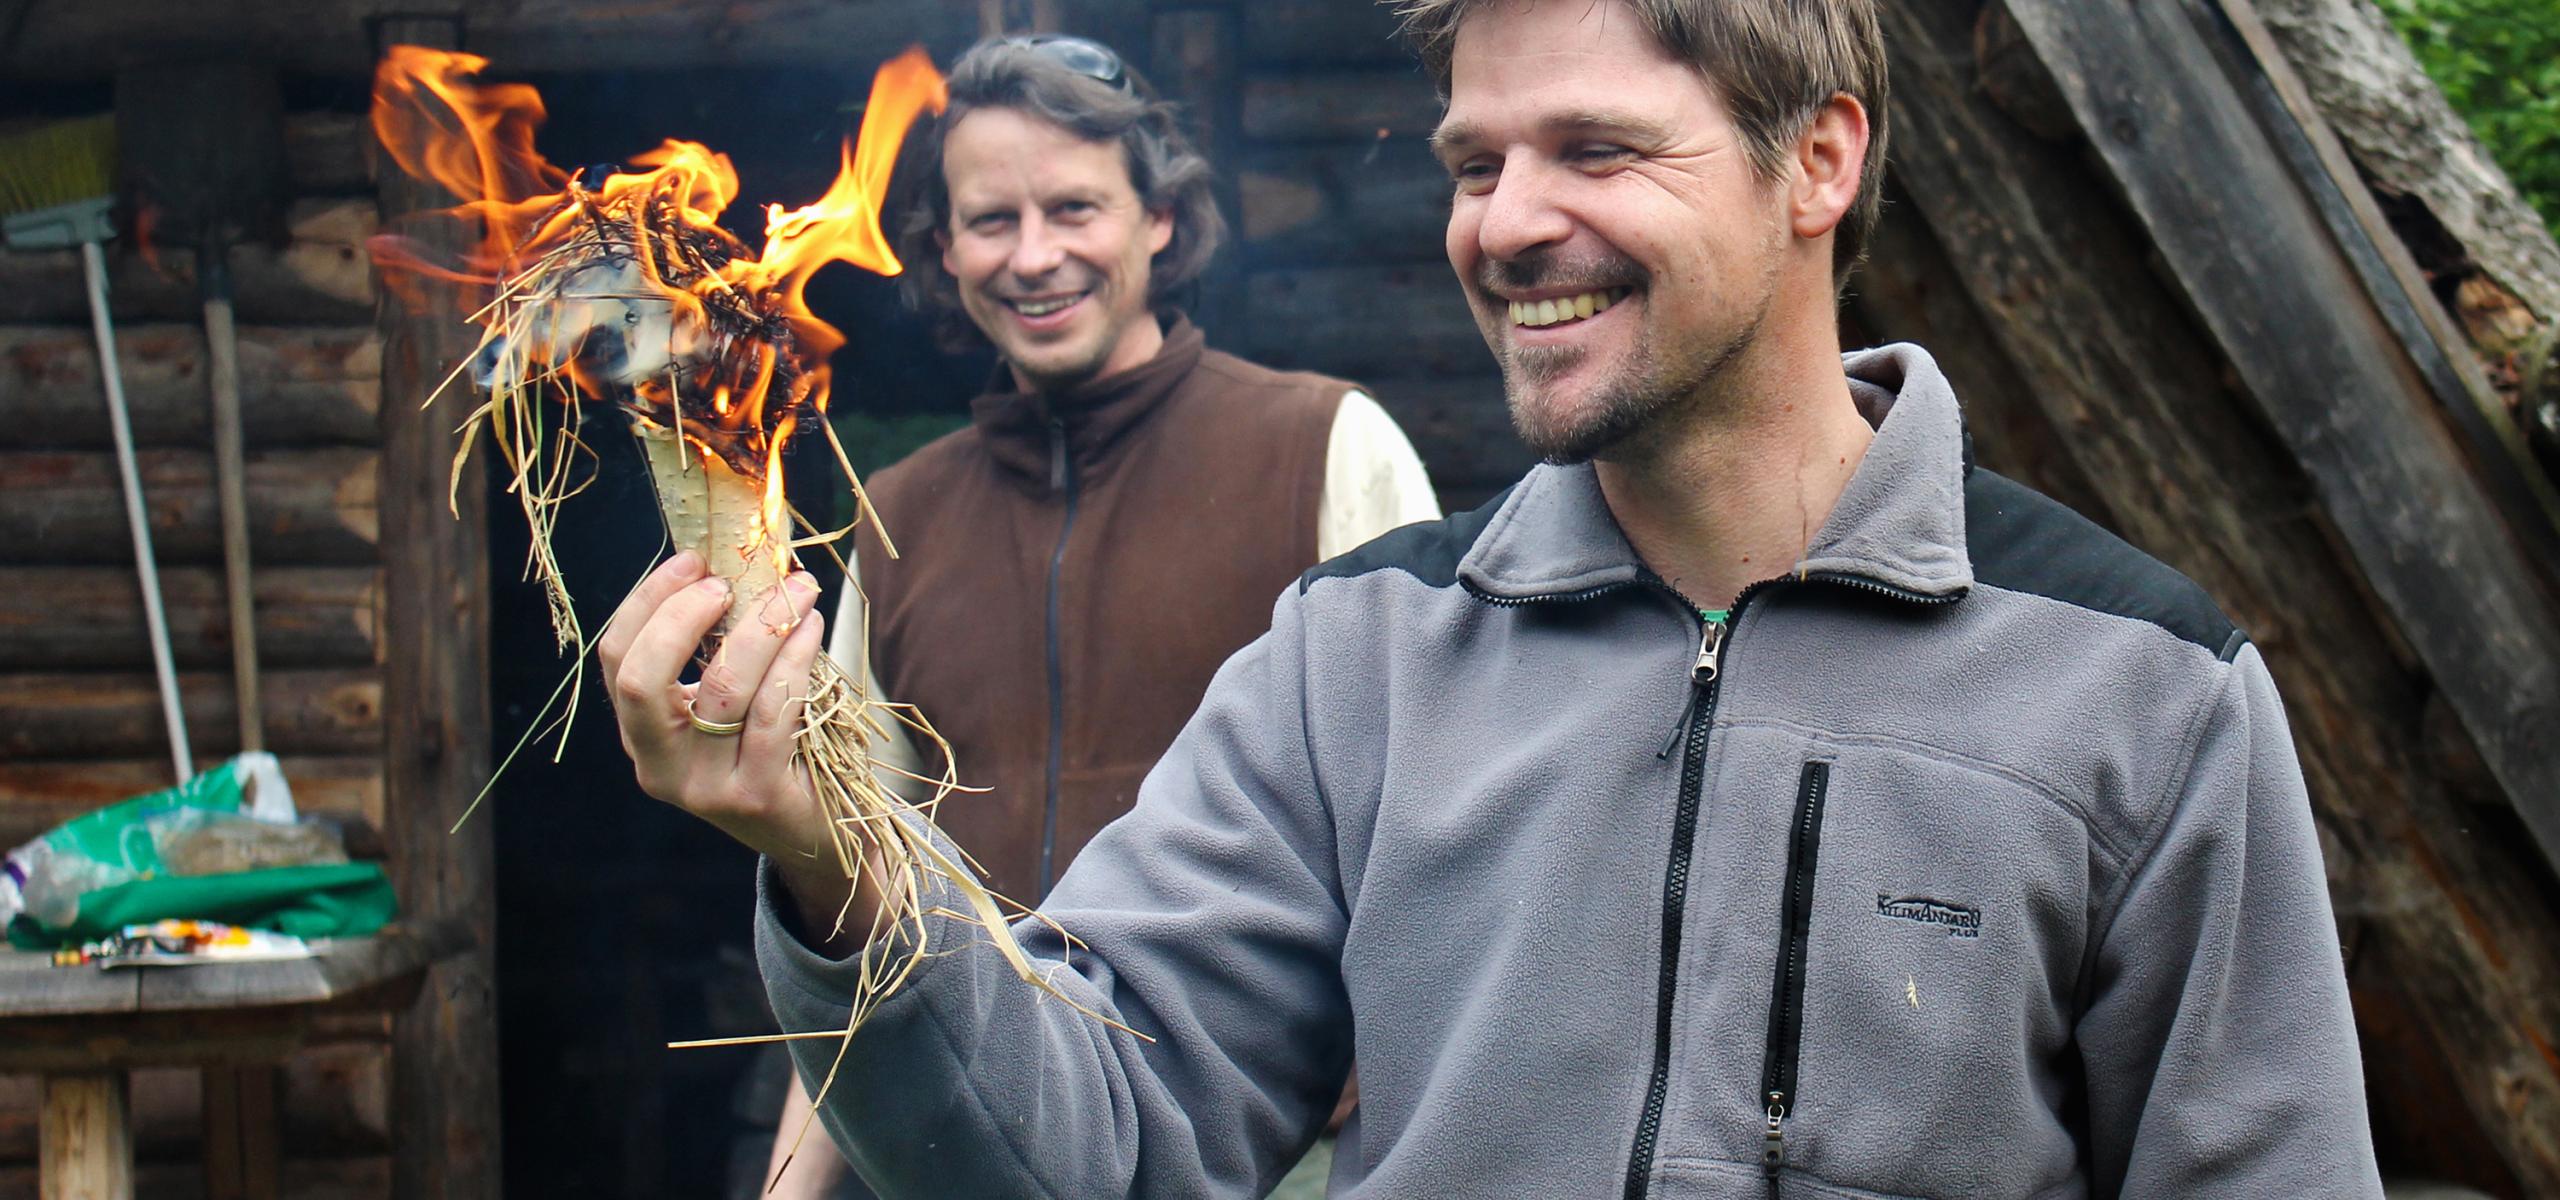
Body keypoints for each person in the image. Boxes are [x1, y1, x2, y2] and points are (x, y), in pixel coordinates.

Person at [601, 1, 2386, 1195]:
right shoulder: (1359, 662)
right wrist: (838, 871)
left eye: (1597, 152)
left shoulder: (2143, 688)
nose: (1503, 222)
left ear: (1820, 161)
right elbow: (1098, 1135)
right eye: (1474, 163)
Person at [748, 36, 1434, 1197]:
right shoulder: (899, 518)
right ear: (942, 250)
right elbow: (856, 893)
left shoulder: (1324, 445)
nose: (1034, 256)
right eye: (990, 220)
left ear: (1158, 220)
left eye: (1074, 207)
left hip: (1269, 1160)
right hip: (978, 1158)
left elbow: (1440, 819)